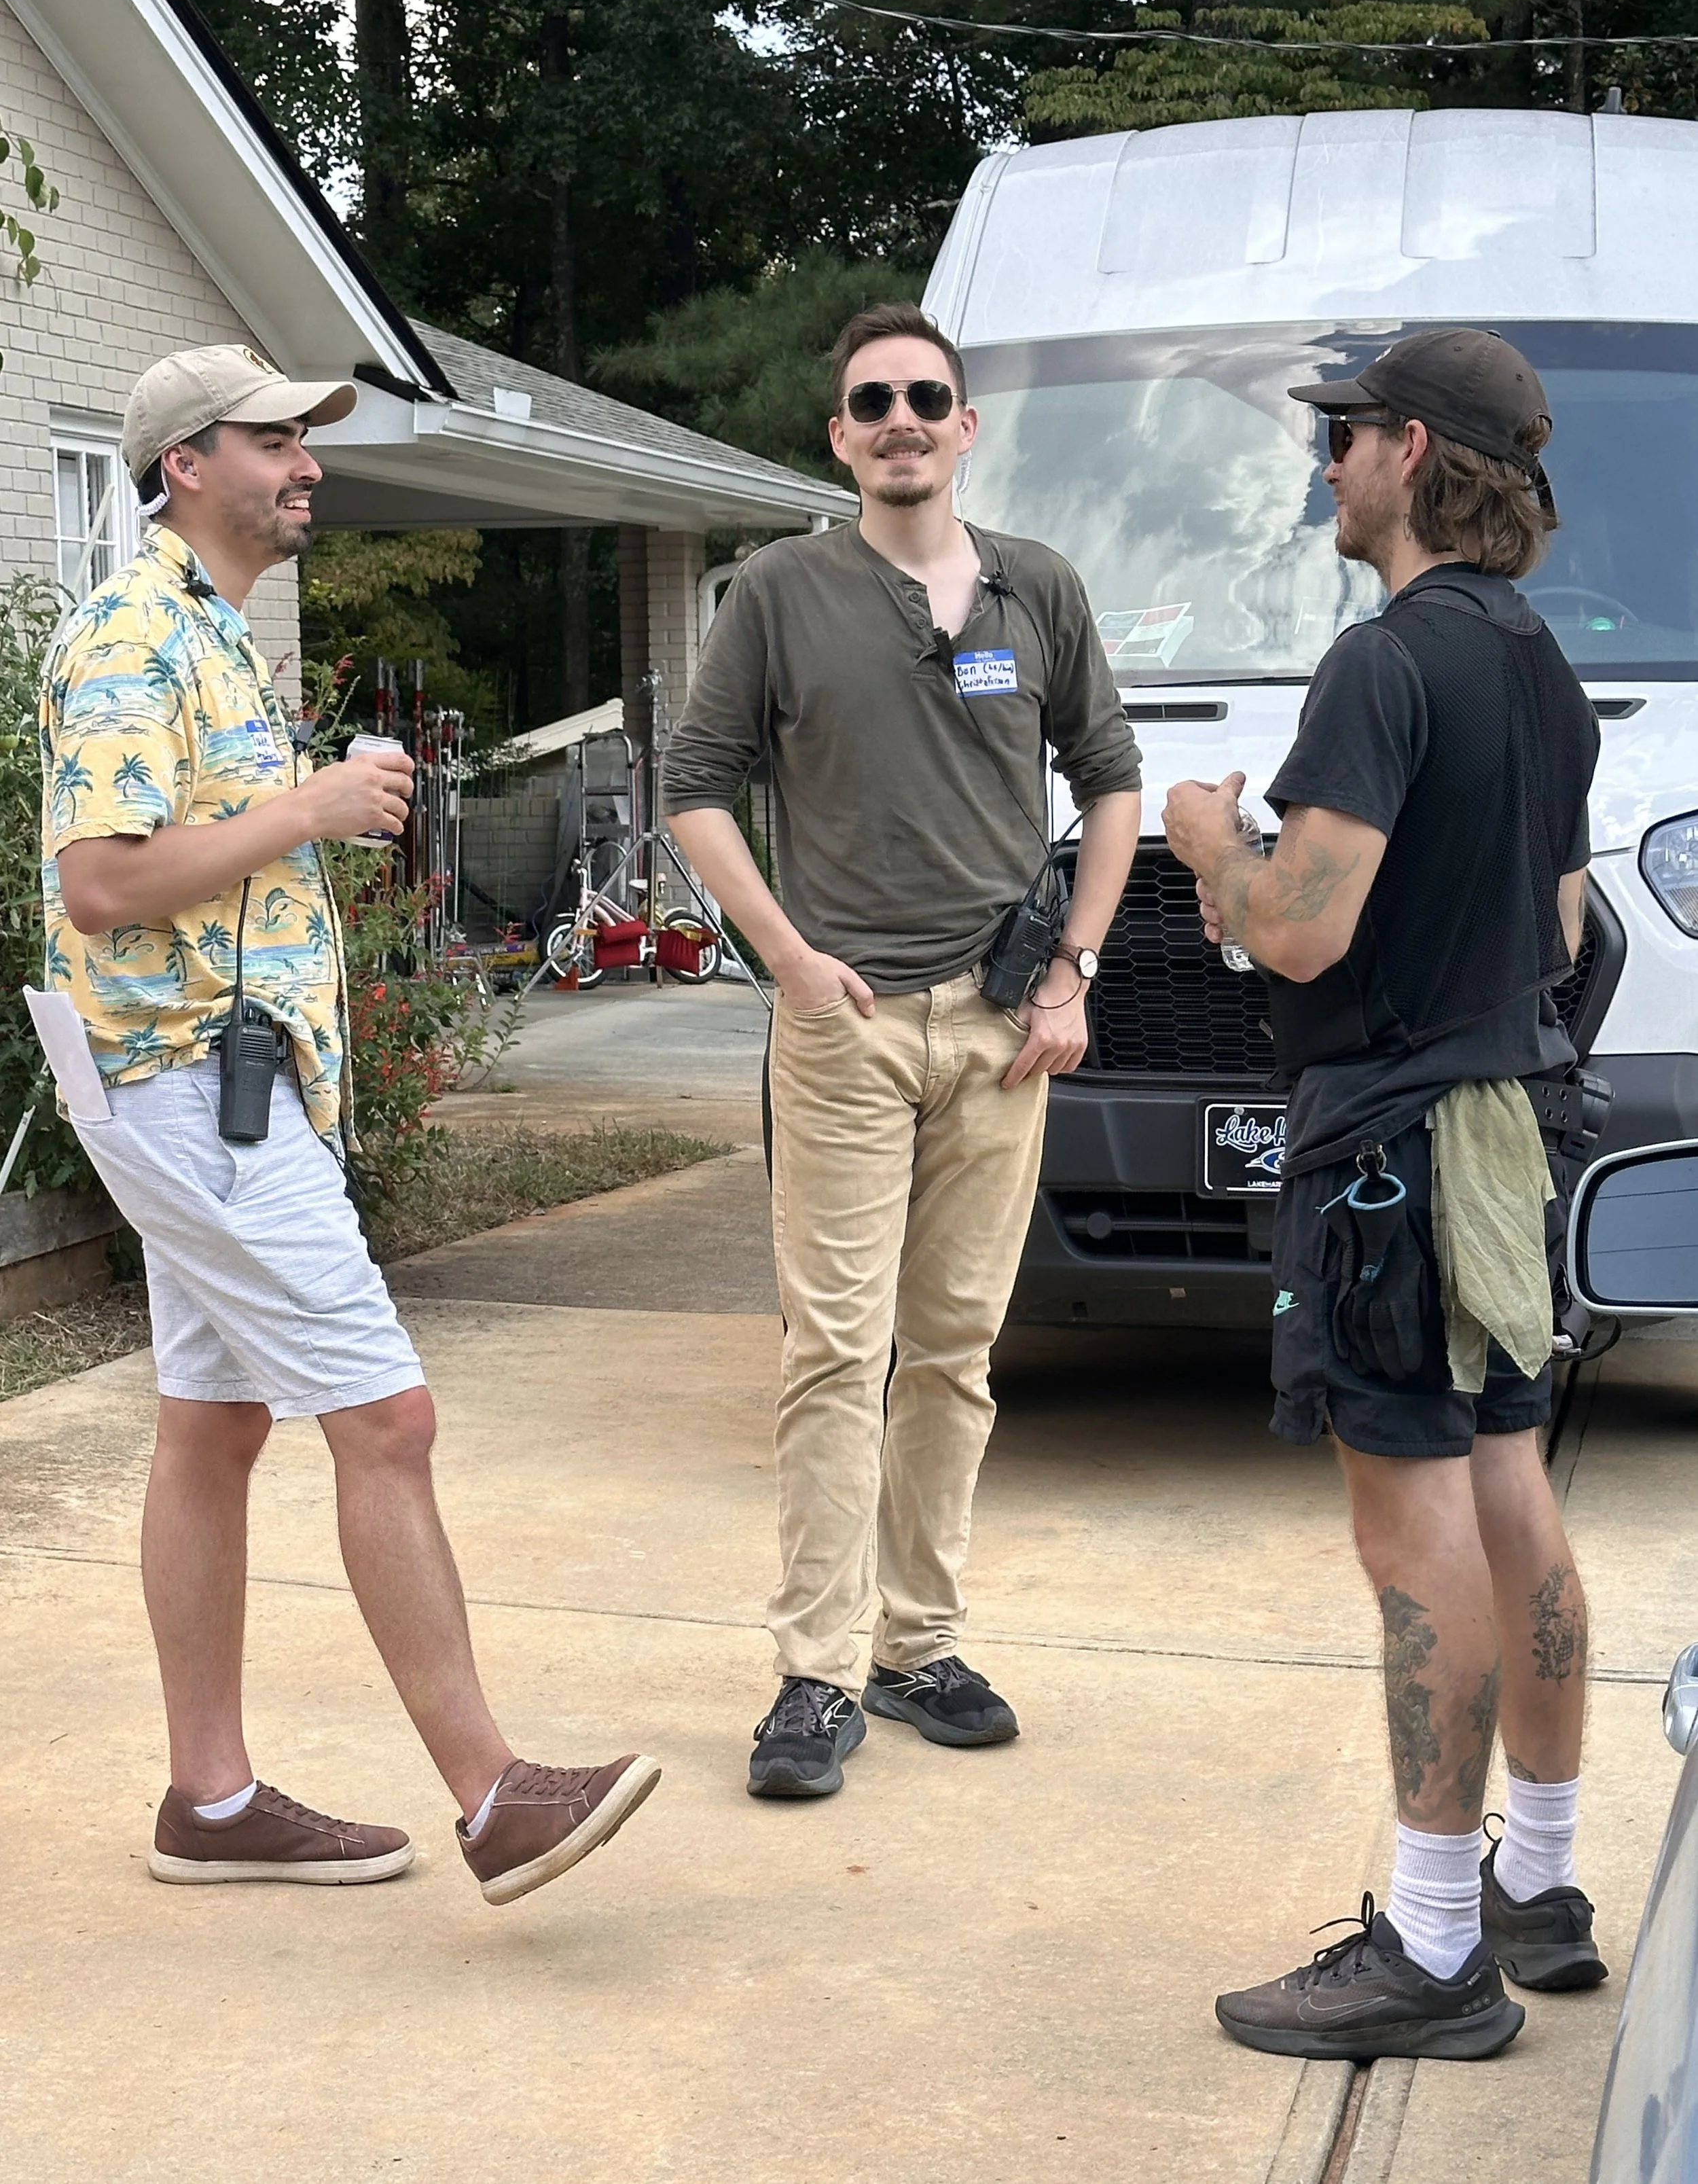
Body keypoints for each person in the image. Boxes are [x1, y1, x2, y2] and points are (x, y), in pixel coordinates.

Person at [39, 344, 660, 1901]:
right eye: (276, 438)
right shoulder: (133, 631)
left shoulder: (212, 639)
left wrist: (295, 806)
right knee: (386, 1417)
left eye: (308, 438)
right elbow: (102, 880)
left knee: (217, 1419)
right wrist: (309, 809)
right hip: (193, 1084)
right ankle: (491, 1794)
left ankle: (212, 1799)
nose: (308, 462)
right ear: (186, 462)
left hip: (210, 1085)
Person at [1163, 328, 1602, 2060]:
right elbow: (1562, 929)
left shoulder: (1380, 663)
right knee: (1509, 1489)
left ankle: (1428, 1950)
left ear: (1407, 451)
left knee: (1411, 1528)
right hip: (1506, 1122)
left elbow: (1296, 928)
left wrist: (1210, 840)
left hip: (1389, 1154)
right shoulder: (1539, 667)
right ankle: (1539, 1888)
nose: (1321, 462)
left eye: (1340, 433)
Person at [664, 302, 1142, 1799]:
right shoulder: (781, 593)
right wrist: (788, 960)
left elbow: (1112, 783)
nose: (899, 422)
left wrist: (1071, 974)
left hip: (1002, 1030)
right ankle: (814, 1671)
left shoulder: (1036, 590)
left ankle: (916, 1642)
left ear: (963, 424)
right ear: (836, 435)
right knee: (833, 1350)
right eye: (870, 401)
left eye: (924, 398)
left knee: (953, 1352)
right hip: (847, 1031)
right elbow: (695, 787)